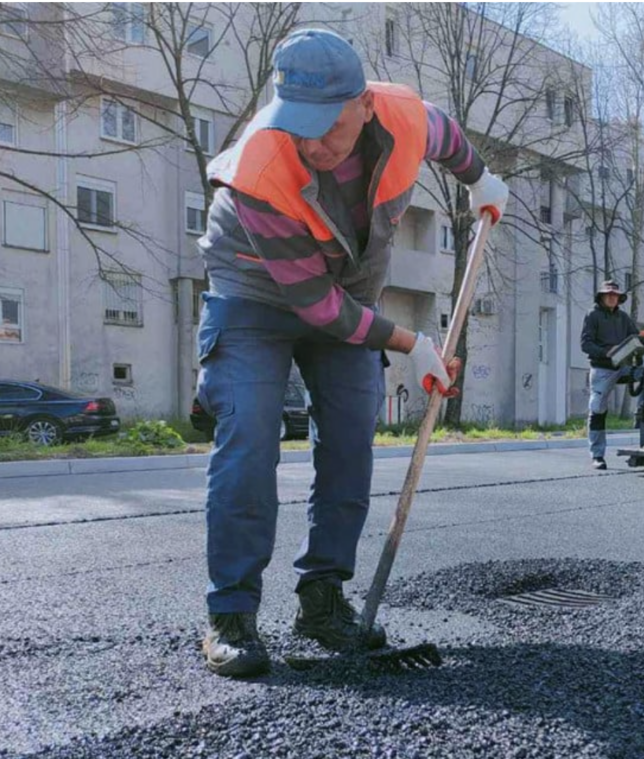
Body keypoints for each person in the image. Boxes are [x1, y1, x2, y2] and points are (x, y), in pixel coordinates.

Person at [195, 29, 508, 677]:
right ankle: (231, 613)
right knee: (250, 432)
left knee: (349, 436)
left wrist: (483, 180)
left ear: (364, 104)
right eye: (298, 126)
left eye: (327, 127)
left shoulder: (403, 114)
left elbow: (446, 136)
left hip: (349, 291)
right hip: (256, 291)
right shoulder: (260, 165)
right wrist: (411, 342)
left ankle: (322, 600)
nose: (311, 145)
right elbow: (314, 306)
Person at [580, 281, 639, 470]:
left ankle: (641, 415)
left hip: (623, 366)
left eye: (615, 295)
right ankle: (597, 455)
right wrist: (606, 352)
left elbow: (635, 337)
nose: (612, 297)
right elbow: (585, 344)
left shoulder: (623, 317)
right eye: (609, 295)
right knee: (597, 408)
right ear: (602, 297)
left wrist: (640, 344)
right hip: (602, 368)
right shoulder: (593, 315)